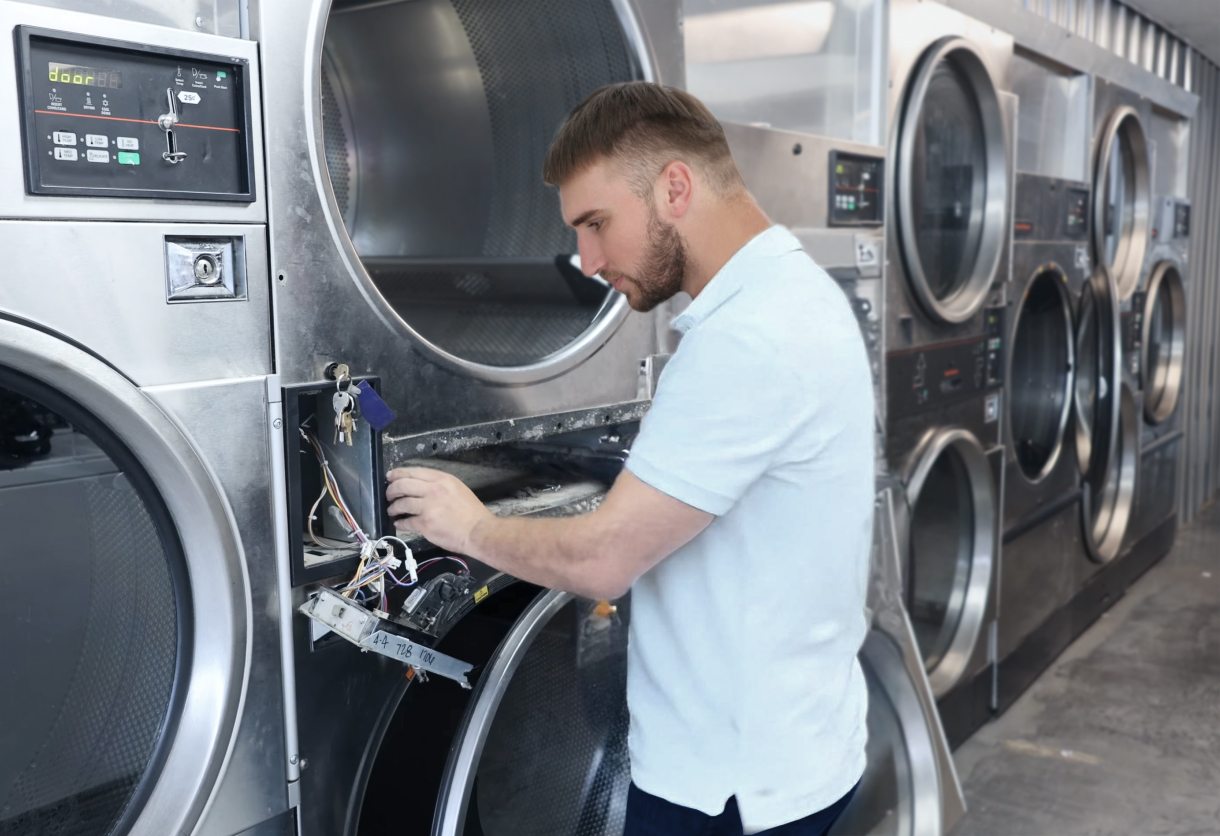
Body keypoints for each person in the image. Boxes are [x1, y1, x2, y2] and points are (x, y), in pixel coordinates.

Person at [385, 81, 874, 836]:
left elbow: (603, 561)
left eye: (596, 223)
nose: (584, 259)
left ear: (674, 187)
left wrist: (470, 525)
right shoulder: (798, 294)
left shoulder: (747, 337)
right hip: (799, 748)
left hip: (726, 790)